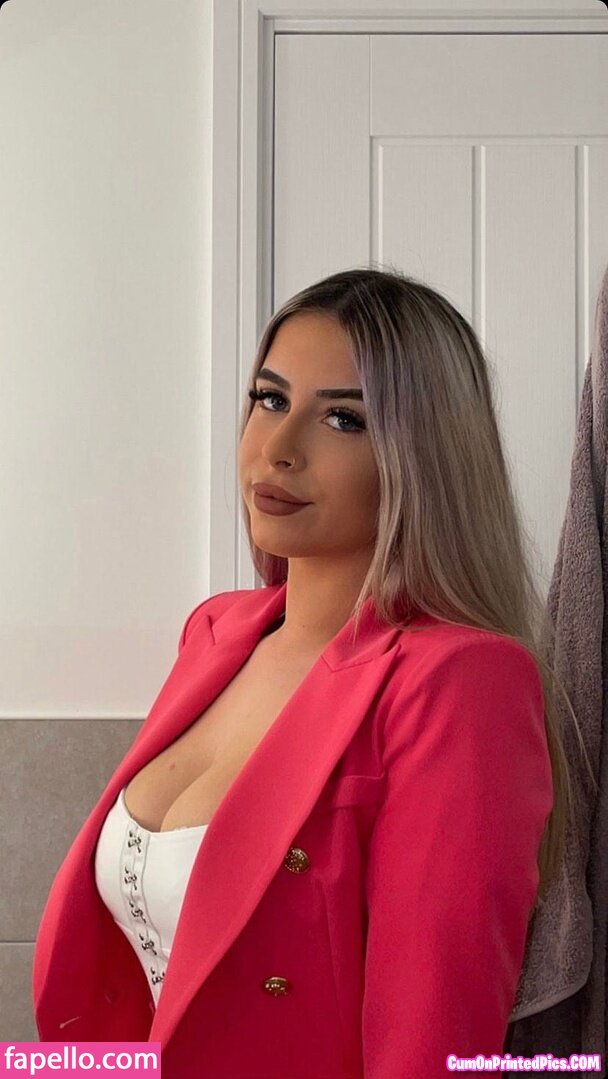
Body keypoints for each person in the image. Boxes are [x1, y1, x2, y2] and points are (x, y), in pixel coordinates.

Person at [33, 267, 567, 1078]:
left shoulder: (461, 681)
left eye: (343, 418)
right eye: (269, 398)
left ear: (421, 455)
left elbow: (430, 1034)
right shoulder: (217, 633)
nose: (278, 449)